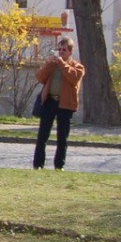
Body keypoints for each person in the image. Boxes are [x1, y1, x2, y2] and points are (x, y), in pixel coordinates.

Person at [33, 35, 86, 170]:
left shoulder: (78, 67)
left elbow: (73, 78)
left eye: (64, 50)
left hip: (65, 105)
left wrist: (62, 63)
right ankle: (38, 164)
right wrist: (48, 63)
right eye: (59, 49)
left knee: (62, 137)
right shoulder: (53, 64)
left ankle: (59, 165)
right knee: (42, 135)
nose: (61, 52)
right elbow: (39, 77)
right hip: (49, 101)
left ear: (70, 52)